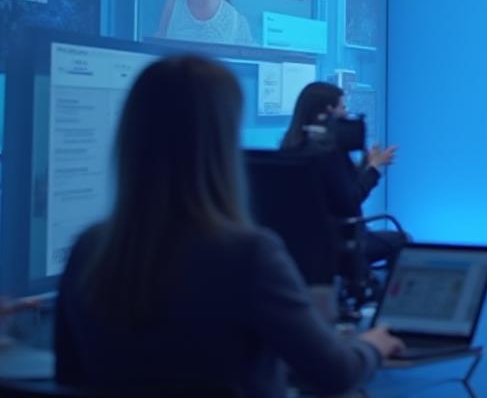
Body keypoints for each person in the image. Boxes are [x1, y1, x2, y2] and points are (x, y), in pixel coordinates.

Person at [54, 56, 402, 397]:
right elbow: (334, 373)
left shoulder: (88, 249)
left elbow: (69, 373)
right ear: (220, 140)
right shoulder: (248, 255)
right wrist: (372, 345)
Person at [280, 82, 404, 275]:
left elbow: (338, 190)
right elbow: (350, 201)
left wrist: (366, 165)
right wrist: (374, 169)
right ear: (329, 110)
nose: (346, 113)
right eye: (343, 107)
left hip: (301, 246)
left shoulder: (289, 147)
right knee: (403, 240)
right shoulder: (328, 153)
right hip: (341, 242)